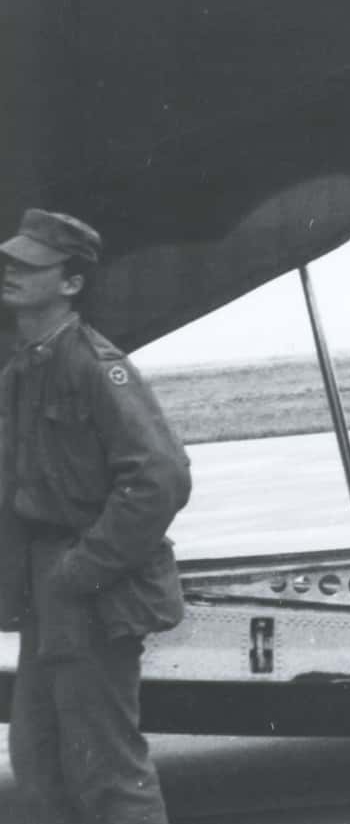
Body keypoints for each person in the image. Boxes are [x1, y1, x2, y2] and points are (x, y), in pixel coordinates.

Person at [0, 208, 190, 824]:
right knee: (39, 758)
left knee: (107, 769)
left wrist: (84, 569)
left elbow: (160, 476)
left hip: (88, 588)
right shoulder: (25, 369)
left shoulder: (95, 366)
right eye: (9, 260)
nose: (10, 271)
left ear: (71, 283)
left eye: (29, 265)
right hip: (46, 587)